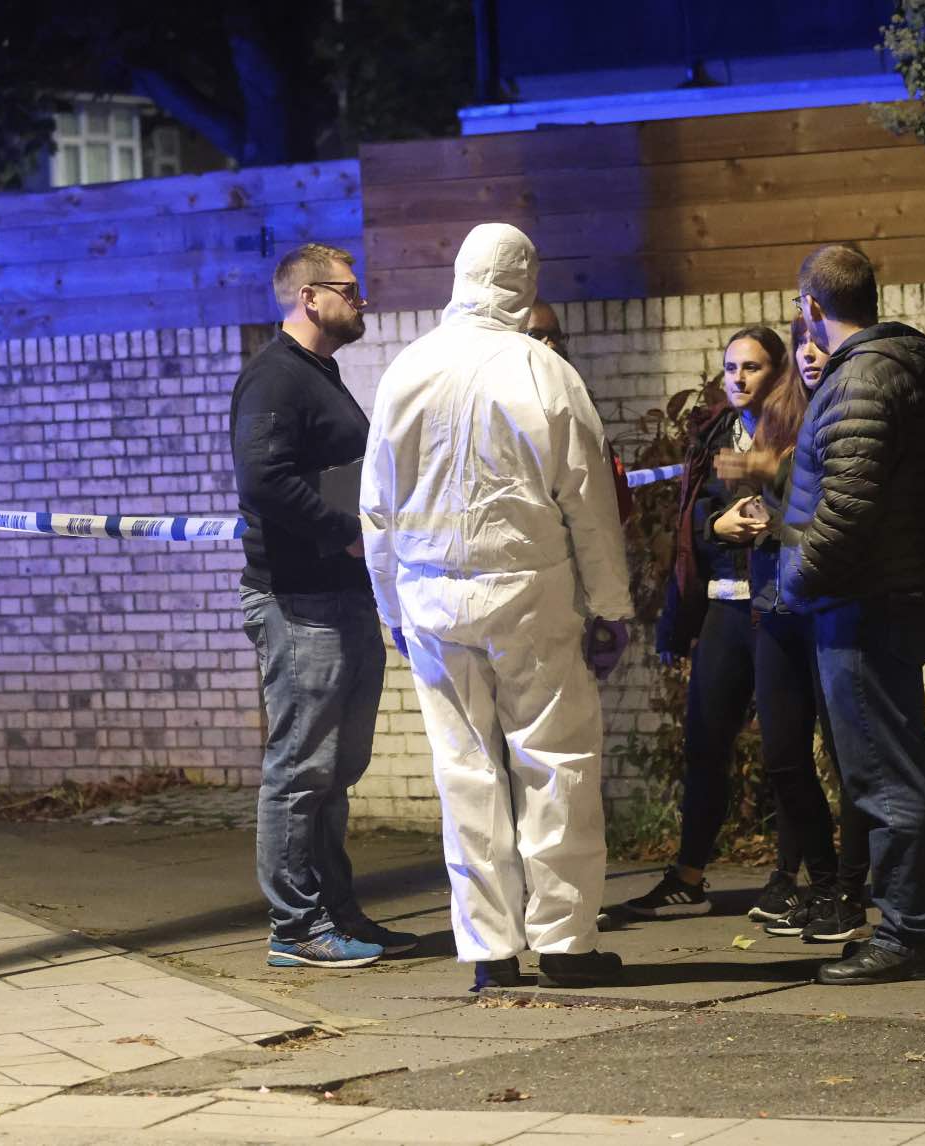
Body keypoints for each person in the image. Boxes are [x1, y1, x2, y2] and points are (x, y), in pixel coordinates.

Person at [360, 223, 634, 991]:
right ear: (524, 282)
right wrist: (611, 604)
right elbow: (589, 504)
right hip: (529, 594)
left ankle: (489, 951)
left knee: (466, 772)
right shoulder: (543, 371)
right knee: (556, 761)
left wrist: (392, 608)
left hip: (431, 598)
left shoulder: (406, 370)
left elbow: (376, 508)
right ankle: (565, 942)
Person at [231, 243, 417, 969]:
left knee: (335, 770)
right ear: (310, 296)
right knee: (300, 768)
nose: (361, 301)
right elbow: (263, 479)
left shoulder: (317, 374)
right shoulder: (274, 376)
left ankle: (337, 912)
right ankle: (295, 928)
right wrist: (345, 534)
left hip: (341, 596)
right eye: (350, 289)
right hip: (299, 602)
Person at [781, 243, 925, 984]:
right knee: (898, 766)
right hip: (880, 595)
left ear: (813, 306)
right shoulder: (885, 368)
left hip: (860, 602)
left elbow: (848, 508)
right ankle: (918, 927)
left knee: (884, 776)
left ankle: (911, 933)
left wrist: (796, 579)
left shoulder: (862, 377)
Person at [606, 326, 814, 928]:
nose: (738, 378)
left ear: (777, 371)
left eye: (752, 367)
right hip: (726, 605)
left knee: (785, 752)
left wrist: (770, 510)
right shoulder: (715, 433)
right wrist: (715, 526)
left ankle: (791, 879)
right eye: (730, 368)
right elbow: (690, 519)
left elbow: (813, 508)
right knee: (704, 745)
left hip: (780, 604)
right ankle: (688, 878)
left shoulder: (798, 429)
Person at [721, 316, 873, 945]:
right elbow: (764, 502)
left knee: (848, 755)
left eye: (819, 340)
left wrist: (767, 479)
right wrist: (735, 518)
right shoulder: (780, 412)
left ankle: (851, 890)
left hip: (831, 606)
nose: (810, 353)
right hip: (775, 602)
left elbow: (838, 512)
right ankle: (822, 880)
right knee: (784, 755)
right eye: (800, 343)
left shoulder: (852, 402)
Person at [528, 301, 635, 523]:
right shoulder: (509, 406)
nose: (551, 344)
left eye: (556, 336)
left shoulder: (575, 393)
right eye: (536, 335)